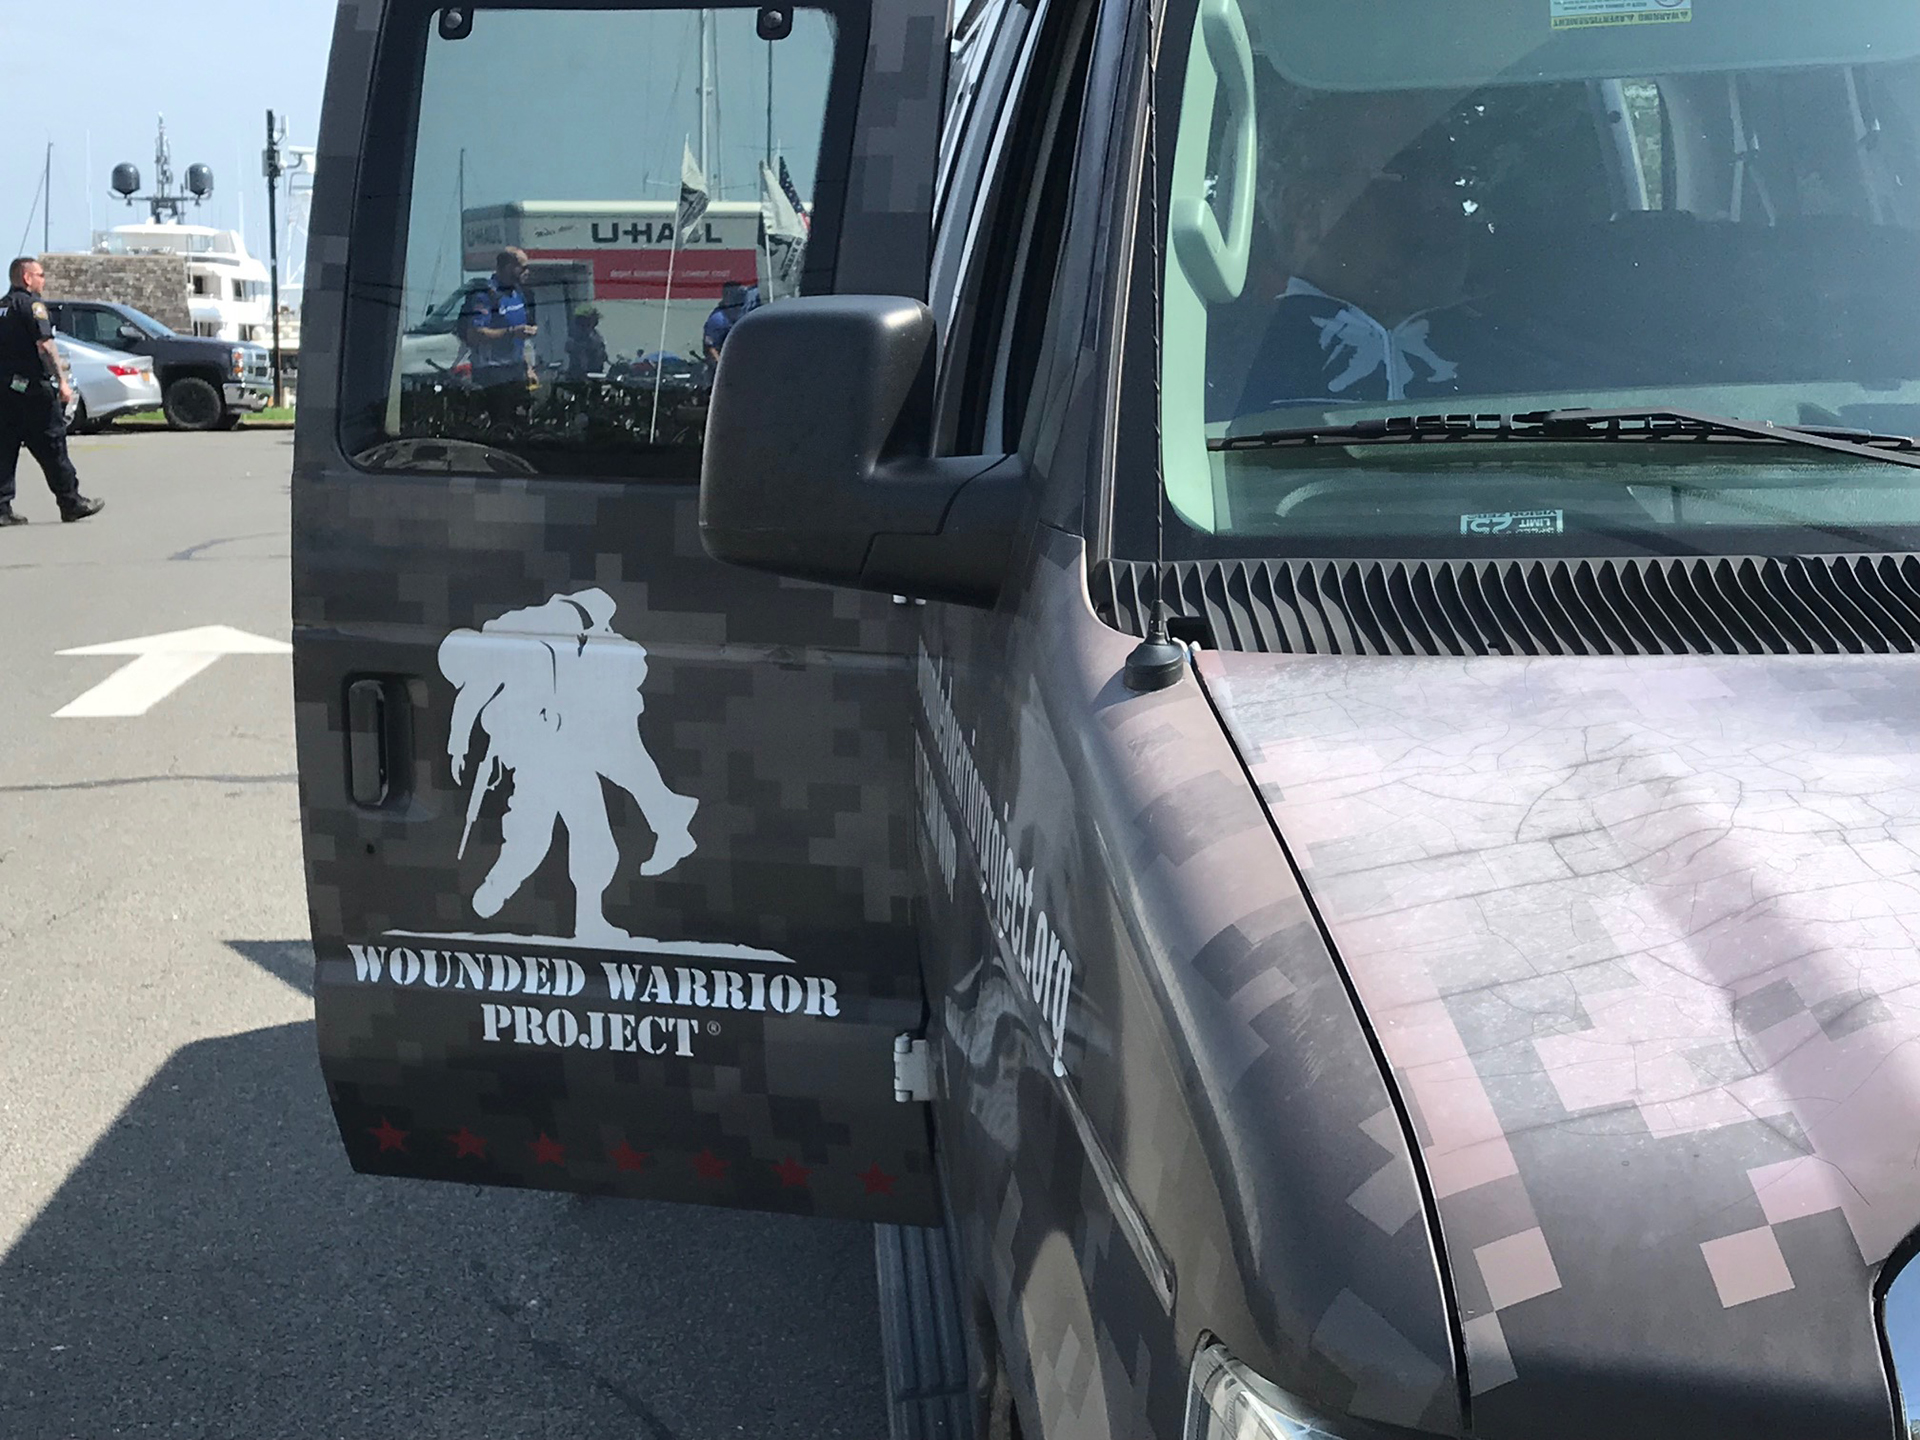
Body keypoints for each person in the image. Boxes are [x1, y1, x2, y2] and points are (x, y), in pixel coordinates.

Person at [440, 587, 699, 943]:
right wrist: (470, 748)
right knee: (541, 833)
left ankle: (583, 913)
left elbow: (476, 696)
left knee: (586, 831)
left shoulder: (505, 641)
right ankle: (670, 823)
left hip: (566, 746)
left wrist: (460, 746)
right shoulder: (506, 659)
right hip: (549, 756)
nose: (471, 685)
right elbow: (480, 700)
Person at [1222, 93, 1489, 419]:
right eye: (1406, 176)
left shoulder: (1523, 356)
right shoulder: (1206, 361)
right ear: (1307, 213)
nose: (1444, 201)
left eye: (1452, 179)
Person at [0, 258, 104, 525]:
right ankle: (70, 502)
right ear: (27, 278)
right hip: (32, 391)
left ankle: (1, 508)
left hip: (5, 390)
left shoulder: (2, 307)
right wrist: (62, 381)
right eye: (40, 275)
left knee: (5, 448)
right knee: (53, 444)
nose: (43, 280)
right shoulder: (32, 306)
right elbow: (45, 346)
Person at [459, 247, 539, 428]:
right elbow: (475, 333)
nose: (527, 272)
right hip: (492, 374)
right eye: (523, 267)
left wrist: (528, 368)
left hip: (516, 370)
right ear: (509, 267)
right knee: (502, 425)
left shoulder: (518, 294)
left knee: (522, 424)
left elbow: (521, 341)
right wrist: (511, 332)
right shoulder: (486, 295)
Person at [701, 281, 760, 374]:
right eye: (735, 295)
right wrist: (724, 369)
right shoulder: (718, 319)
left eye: (740, 295)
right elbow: (710, 348)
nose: (739, 298)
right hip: (724, 369)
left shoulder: (746, 311)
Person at [564, 306, 608, 379]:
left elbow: (601, 354)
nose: (596, 322)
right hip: (577, 377)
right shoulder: (575, 336)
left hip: (595, 374)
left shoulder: (595, 335)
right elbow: (570, 348)